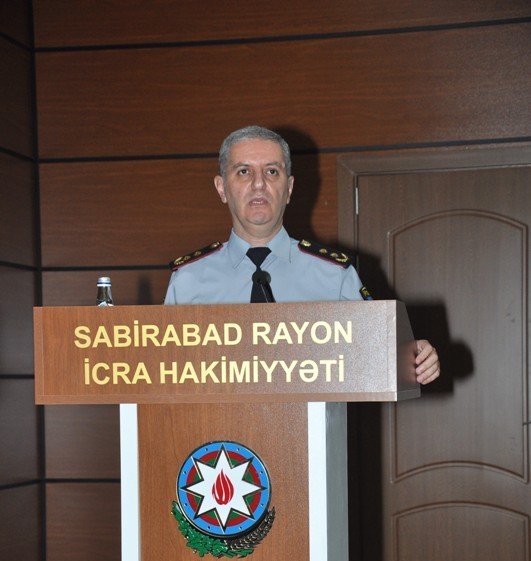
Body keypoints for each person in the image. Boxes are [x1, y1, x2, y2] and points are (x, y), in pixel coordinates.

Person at [165, 125, 440, 385]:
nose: (259, 183)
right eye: (244, 171)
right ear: (222, 188)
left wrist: (413, 356)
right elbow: (164, 372)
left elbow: (376, 355)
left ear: (289, 188)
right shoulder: (188, 280)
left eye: (272, 171)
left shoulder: (335, 275)